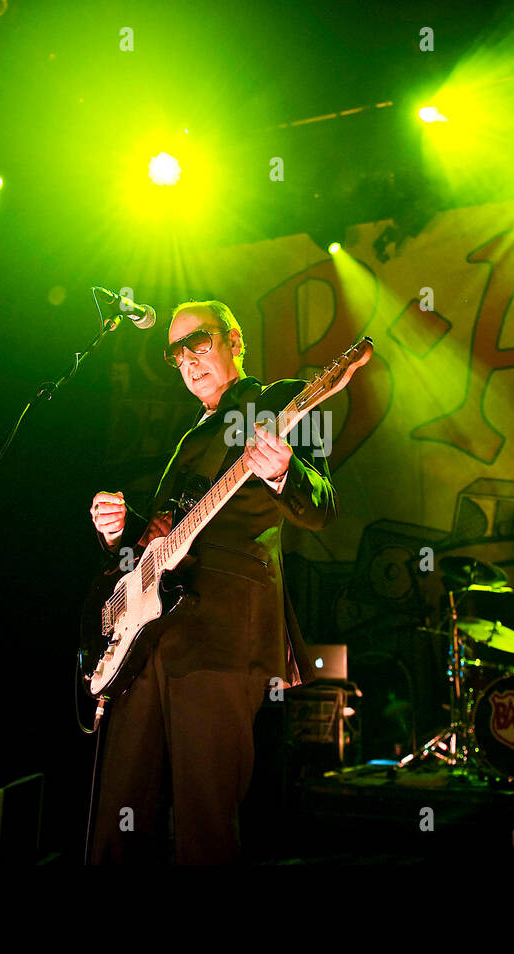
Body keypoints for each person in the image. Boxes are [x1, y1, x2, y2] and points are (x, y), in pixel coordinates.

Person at [88, 299, 337, 864]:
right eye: (176, 353)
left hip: (223, 635)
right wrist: (117, 534)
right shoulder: (187, 439)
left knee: (205, 823)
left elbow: (322, 505)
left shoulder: (279, 402)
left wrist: (281, 472)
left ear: (234, 340)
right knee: (117, 819)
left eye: (198, 342)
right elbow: (154, 546)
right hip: (147, 641)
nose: (187, 360)